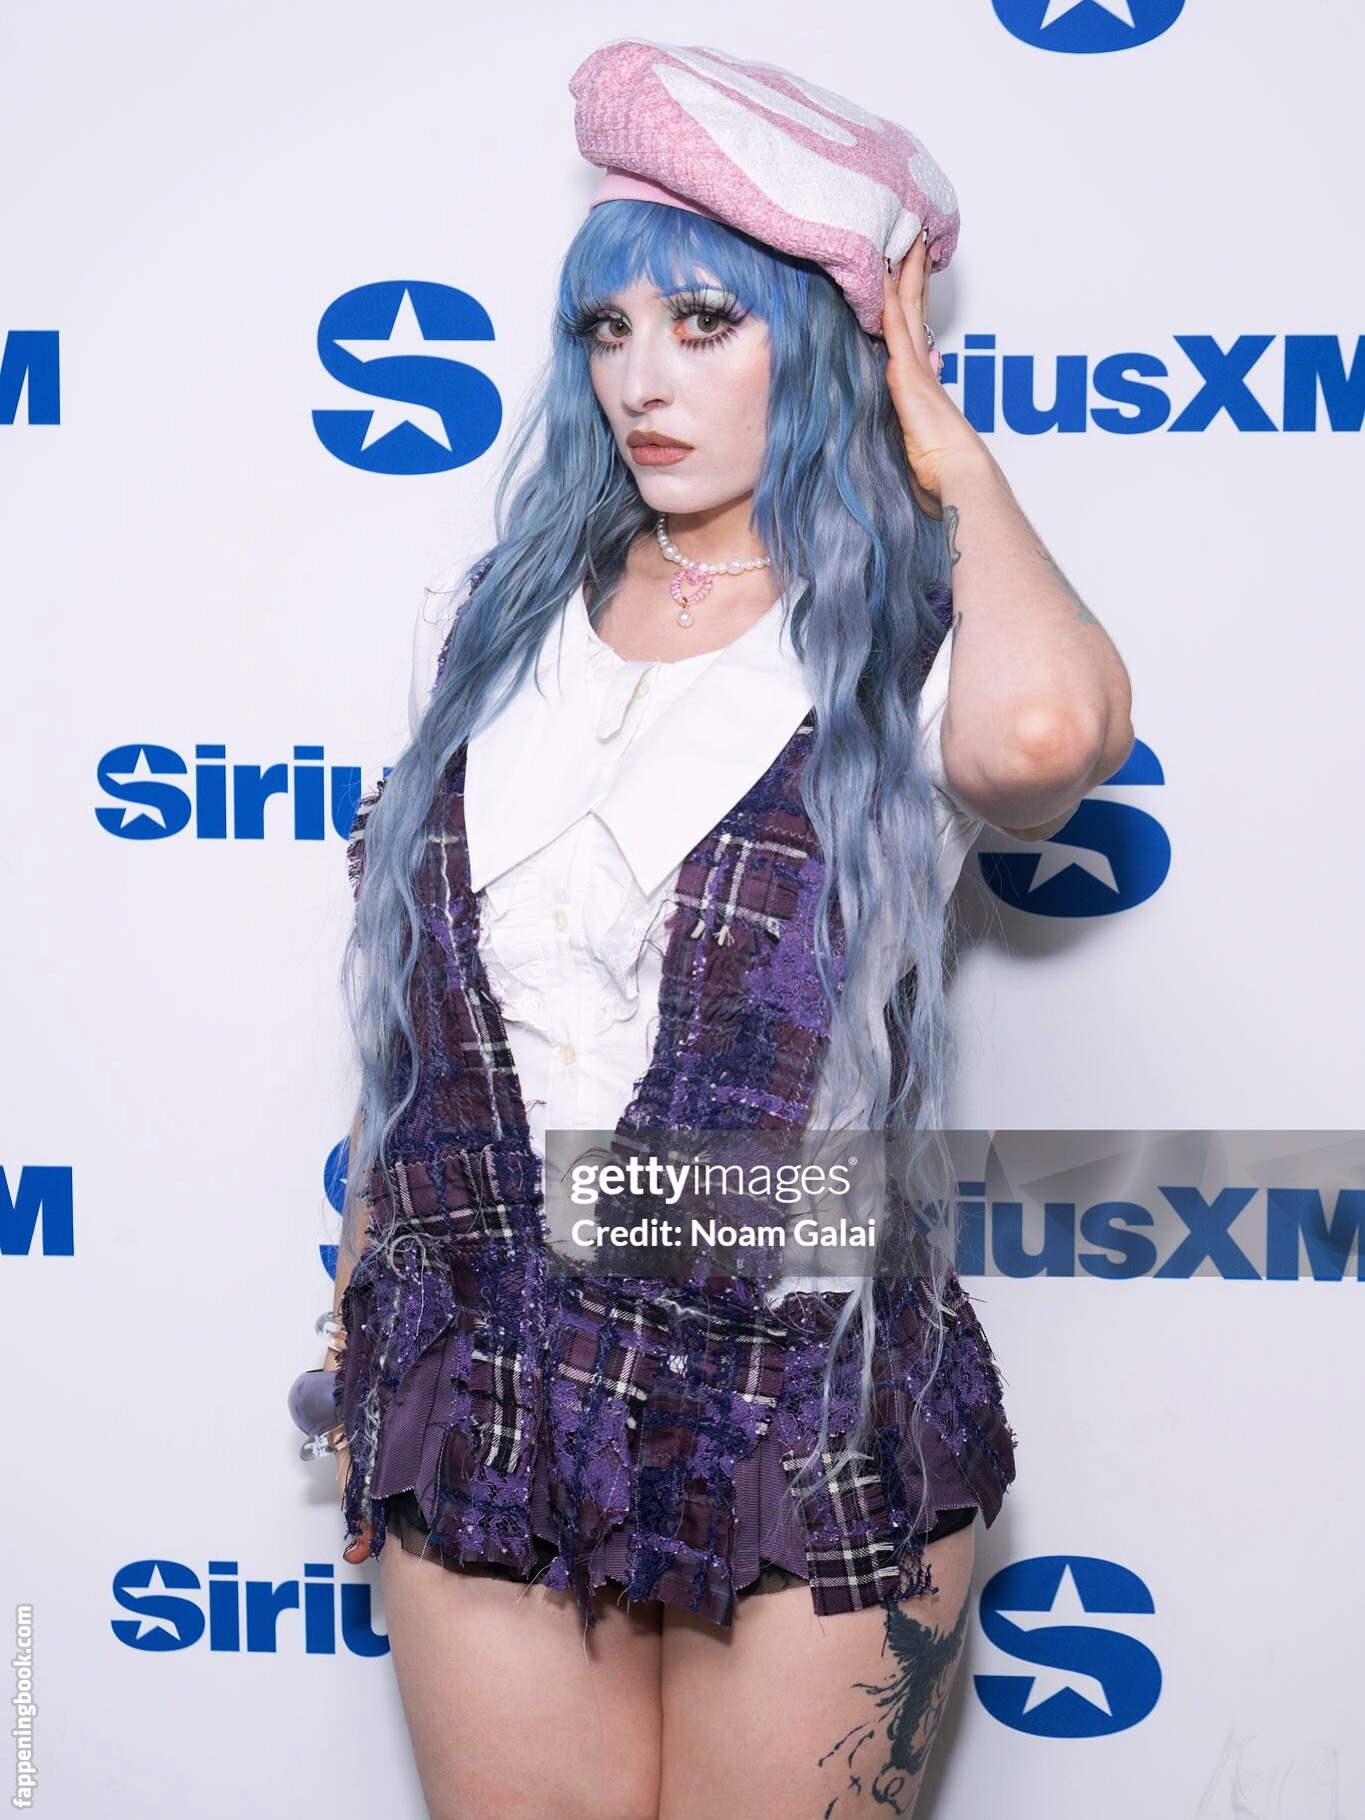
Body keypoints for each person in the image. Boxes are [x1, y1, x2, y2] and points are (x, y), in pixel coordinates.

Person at [314, 38, 1134, 1820]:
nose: (642, 380)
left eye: (705, 323)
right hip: (482, 1351)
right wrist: (372, 1299)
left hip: (801, 1365)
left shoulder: (905, 628)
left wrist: (946, 455)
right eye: (607, 330)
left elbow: (1045, 742)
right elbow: (431, 1017)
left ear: (830, 341)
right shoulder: (498, 623)